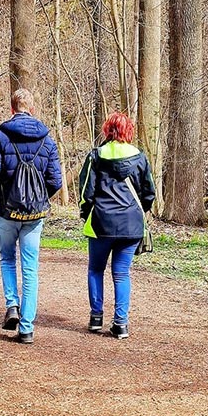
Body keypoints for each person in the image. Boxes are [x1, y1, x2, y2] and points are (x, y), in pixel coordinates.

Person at [0, 88, 62, 345]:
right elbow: (55, 180)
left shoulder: (1, 136)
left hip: (6, 211)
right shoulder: (47, 139)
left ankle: (12, 305)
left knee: (7, 258)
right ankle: (26, 328)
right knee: (30, 268)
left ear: (12, 109)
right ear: (33, 108)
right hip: (34, 214)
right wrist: (38, 196)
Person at [78, 112, 155, 339]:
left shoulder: (96, 156)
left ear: (107, 130)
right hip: (131, 224)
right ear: (128, 132)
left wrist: (85, 213)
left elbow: (86, 193)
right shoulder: (139, 157)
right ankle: (121, 324)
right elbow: (148, 193)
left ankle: (96, 318)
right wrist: (141, 211)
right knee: (121, 274)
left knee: (96, 270)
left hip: (101, 223)